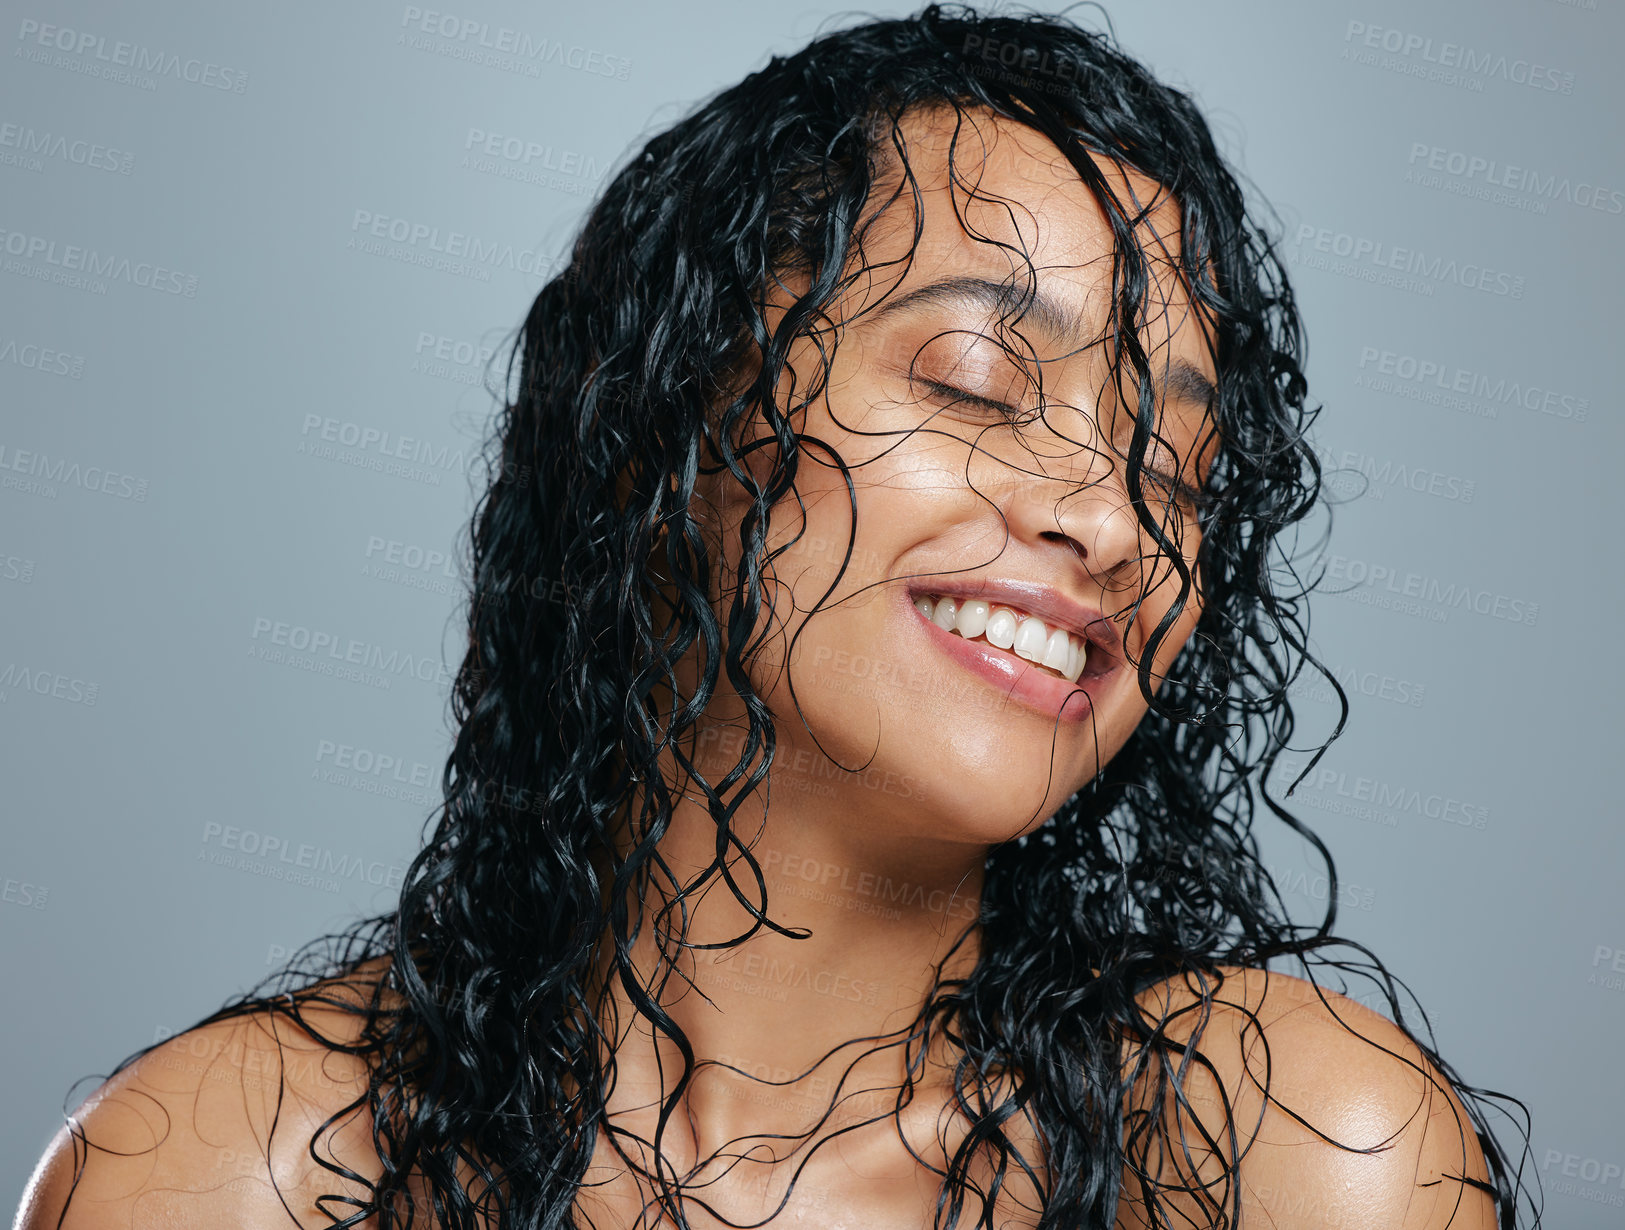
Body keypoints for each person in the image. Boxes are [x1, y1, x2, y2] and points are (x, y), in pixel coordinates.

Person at [16, 5, 1537, 1227]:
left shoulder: (1283, 1159)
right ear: (672, 432)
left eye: (1179, 470)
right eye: (973, 378)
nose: (1113, 518)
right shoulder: (232, 1171)